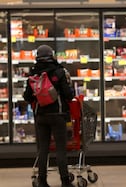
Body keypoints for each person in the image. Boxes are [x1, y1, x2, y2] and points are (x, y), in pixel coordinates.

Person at [23, 45, 75, 187]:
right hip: (58, 115)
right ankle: (65, 181)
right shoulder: (59, 72)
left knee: (43, 150)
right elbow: (69, 95)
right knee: (60, 149)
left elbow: (26, 96)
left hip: (41, 116)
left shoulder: (34, 74)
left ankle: (42, 181)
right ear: (51, 55)